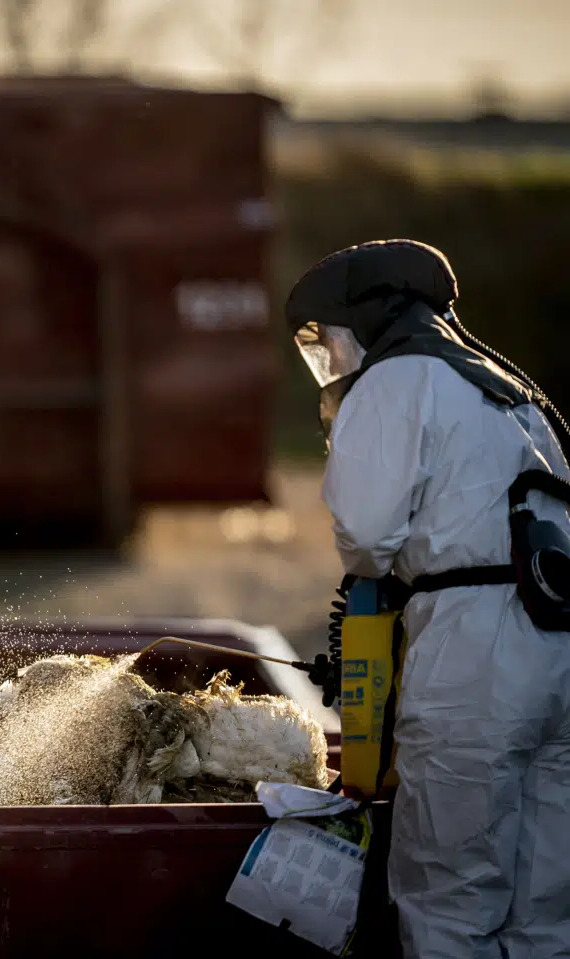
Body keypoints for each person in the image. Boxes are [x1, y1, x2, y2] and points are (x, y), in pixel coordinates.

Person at [286, 239, 570, 958]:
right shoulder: (511, 392)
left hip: (474, 650)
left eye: (333, 340)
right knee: (545, 909)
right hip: (556, 645)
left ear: (366, 321)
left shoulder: (397, 379)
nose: (334, 361)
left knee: (448, 896)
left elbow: (367, 537)